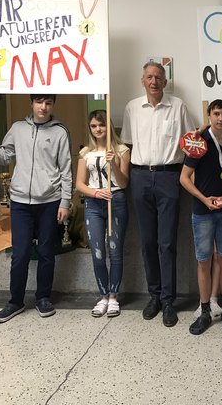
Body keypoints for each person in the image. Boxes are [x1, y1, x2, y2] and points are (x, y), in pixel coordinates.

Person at [0, 94, 72, 323]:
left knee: (46, 252)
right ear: (31, 104)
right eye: (39, 102)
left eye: (48, 103)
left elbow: (66, 170)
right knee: (20, 254)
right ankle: (15, 301)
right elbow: (4, 157)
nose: (43, 107)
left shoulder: (60, 132)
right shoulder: (17, 128)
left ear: (53, 105)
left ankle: (43, 298)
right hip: (21, 203)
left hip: (49, 201)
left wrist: (65, 202)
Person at [121, 60, 195, 327]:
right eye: (149, 77)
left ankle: (168, 300)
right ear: (143, 80)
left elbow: (192, 144)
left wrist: (186, 176)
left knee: (167, 242)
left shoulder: (178, 107)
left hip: (168, 177)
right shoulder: (132, 108)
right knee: (148, 241)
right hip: (140, 176)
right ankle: (153, 295)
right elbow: (127, 146)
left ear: (165, 82)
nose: (153, 81)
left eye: (158, 77)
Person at [180, 99, 222, 335]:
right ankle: (205, 311)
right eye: (216, 114)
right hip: (203, 211)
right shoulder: (199, 142)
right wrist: (204, 199)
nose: (220, 118)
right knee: (204, 262)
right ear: (208, 115)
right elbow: (184, 178)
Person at [75, 110, 130, 318]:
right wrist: (96, 192)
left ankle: (114, 297)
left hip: (116, 202)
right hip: (93, 204)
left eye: (101, 125)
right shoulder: (85, 153)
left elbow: (124, 182)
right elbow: (80, 184)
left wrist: (113, 163)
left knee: (115, 251)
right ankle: (103, 296)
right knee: (97, 253)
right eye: (94, 126)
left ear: (109, 126)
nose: (98, 129)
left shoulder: (122, 150)